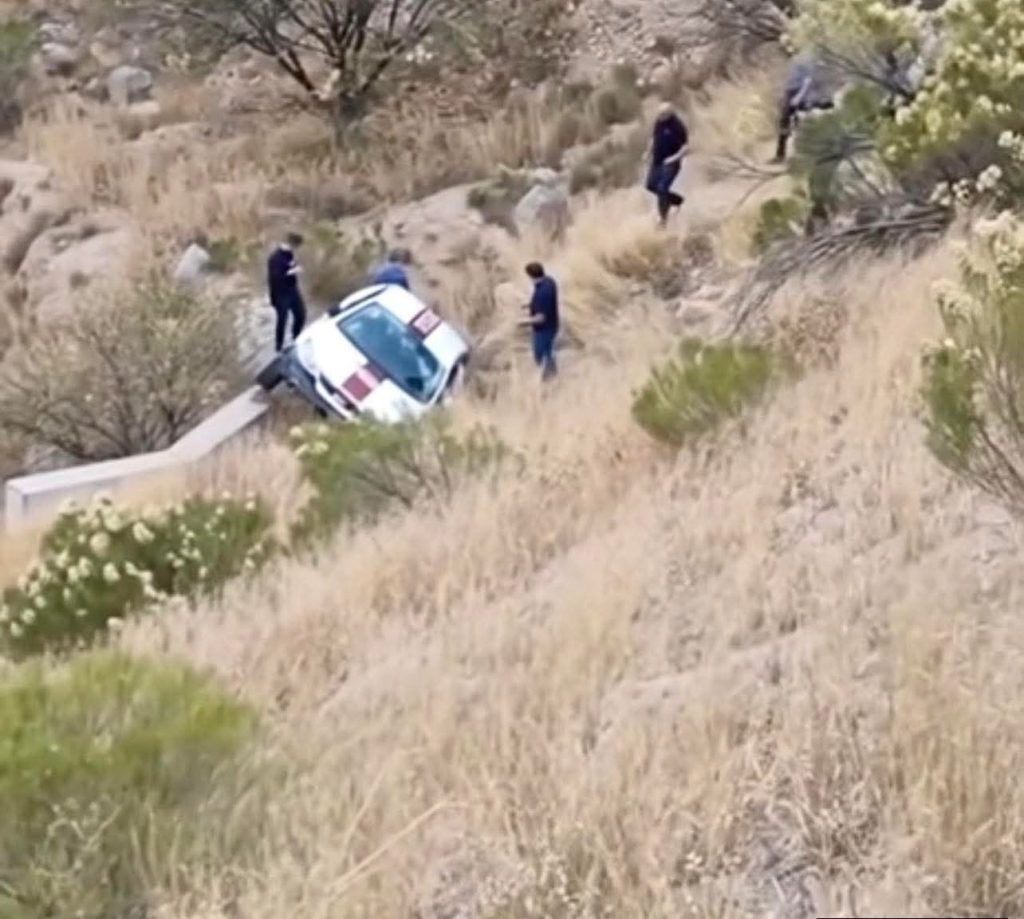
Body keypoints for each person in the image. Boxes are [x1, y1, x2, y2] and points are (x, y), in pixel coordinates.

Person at [772, 56, 834, 163]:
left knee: (795, 120)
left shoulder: (809, 60)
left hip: (803, 94)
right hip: (796, 92)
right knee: (785, 121)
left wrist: (801, 98)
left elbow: (809, 82)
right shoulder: (795, 61)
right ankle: (781, 154)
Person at [646, 103, 689, 226]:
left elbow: (685, 147)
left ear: (670, 114)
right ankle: (677, 200)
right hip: (657, 161)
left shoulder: (678, 126)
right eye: (659, 114)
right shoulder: (658, 122)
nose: (660, 116)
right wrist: (647, 152)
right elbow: (653, 138)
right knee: (650, 185)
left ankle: (662, 220)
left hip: (671, 163)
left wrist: (674, 158)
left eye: (663, 114)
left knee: (662, 188)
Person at [267, 232, 307, 352]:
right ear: (293, 245)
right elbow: (275, 277)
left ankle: (296, 338)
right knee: (282, 320)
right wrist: (293, 271)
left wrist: (294, 266)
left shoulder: (289, 254)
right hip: (280, 294)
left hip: (292, 290)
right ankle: (278, 347)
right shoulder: (275, 258)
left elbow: (290, 265)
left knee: (301, 315)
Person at [520, 262, 559, 381]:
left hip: (544, 329)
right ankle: (553, 374)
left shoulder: (542, 293)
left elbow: (540, 318)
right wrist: (529, 305)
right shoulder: (549, 281)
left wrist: (522, 322)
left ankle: (549, 380)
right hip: (553, 324)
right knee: (548, 352)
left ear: (531, 276)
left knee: (540, 356)